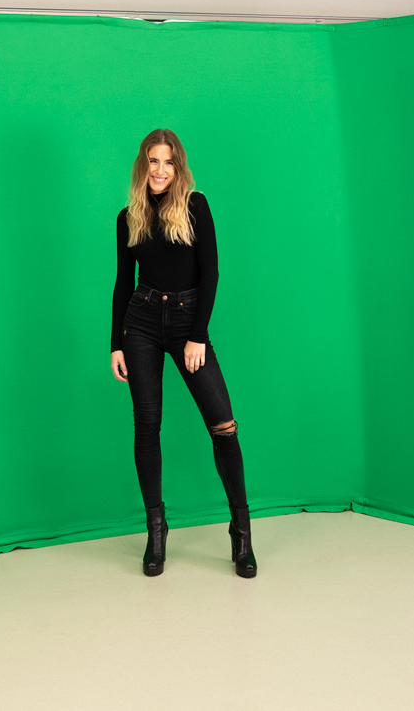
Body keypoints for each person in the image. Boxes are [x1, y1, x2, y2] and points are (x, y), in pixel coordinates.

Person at [110, 128, 256, 579]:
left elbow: (210, 273)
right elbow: (123, 281)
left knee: (223, 424)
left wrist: (197, 336)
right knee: (146, 426)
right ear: (143, 165)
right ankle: (156, 532)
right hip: (141, 323)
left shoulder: (195, 205)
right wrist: (116, 343)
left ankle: (241, 532)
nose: (160, 170)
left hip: (187, 321)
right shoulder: (128, 217)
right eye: (153, 161)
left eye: (168, 162)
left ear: (178, 167)